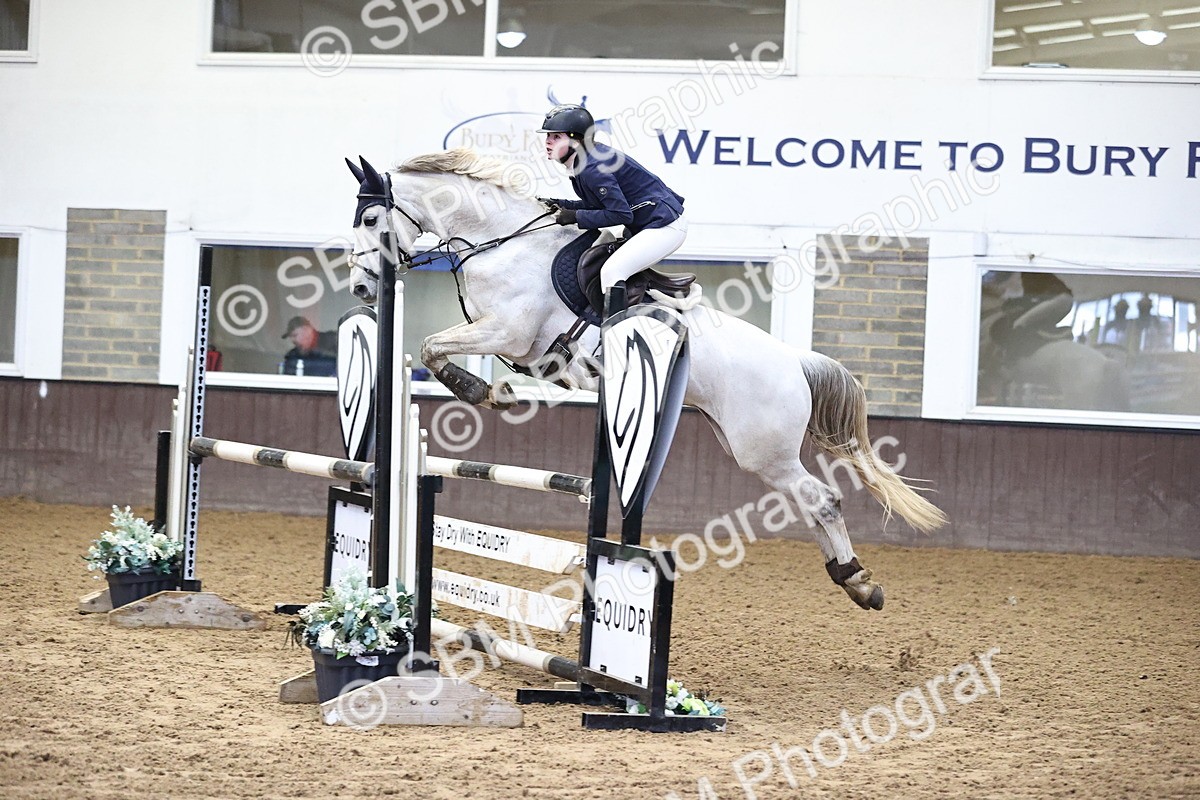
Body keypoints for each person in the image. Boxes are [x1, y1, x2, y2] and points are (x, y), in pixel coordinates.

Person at [537, 104, 687, 294]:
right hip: (648, 224)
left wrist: (576, 216)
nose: (548, 142)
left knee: (612, 272)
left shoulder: (592, 169)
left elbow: (621, 214)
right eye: (548, 136)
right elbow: (597, 205)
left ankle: (618, 315)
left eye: (556, 137)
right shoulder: (585, 162)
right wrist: (558, 204)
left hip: (665, 226)